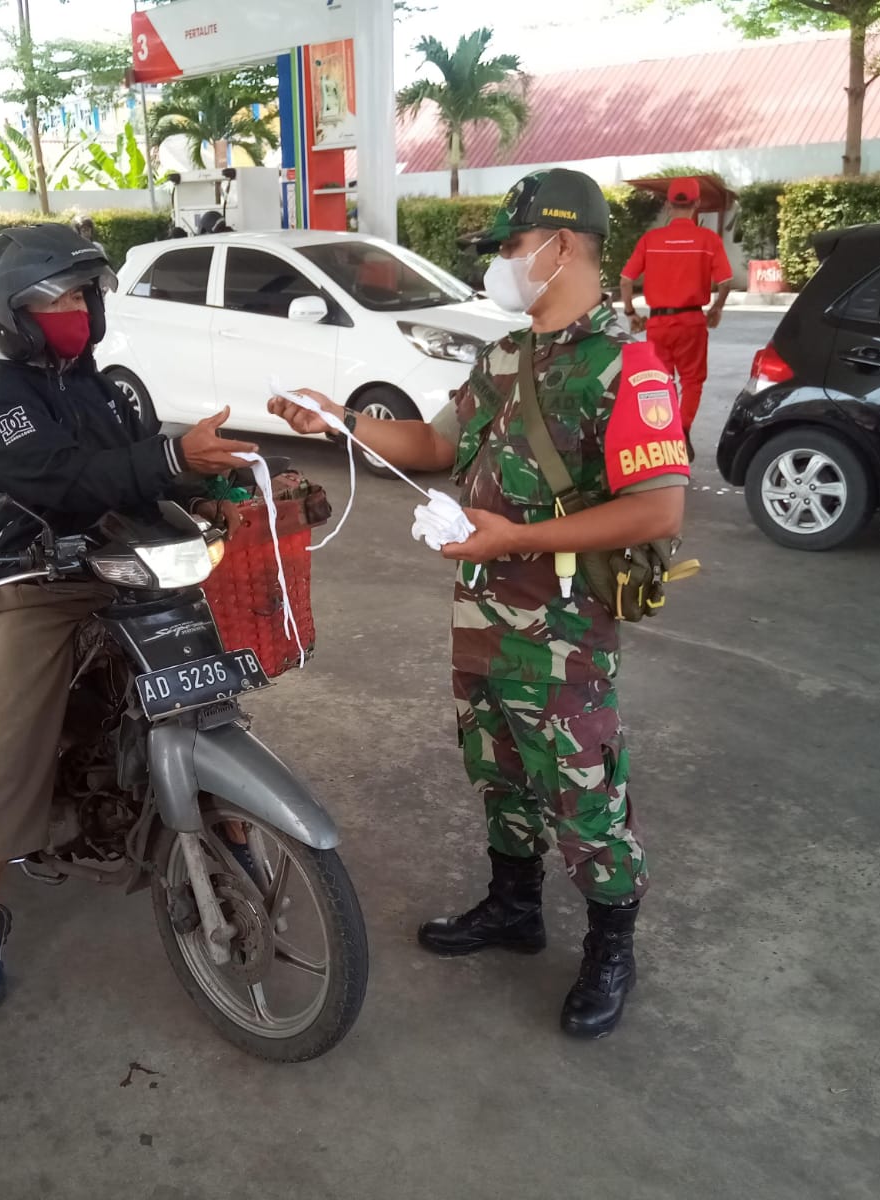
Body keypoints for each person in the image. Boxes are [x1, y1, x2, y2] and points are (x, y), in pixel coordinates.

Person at [269, 169, 689, 1040]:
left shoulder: (626, 362)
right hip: (482, 614)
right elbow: (430, 442)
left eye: (510, 247)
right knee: (497, 766)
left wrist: (513, 540)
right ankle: (514, 908)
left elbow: (659, 508)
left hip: (566, 625)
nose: (503, 264)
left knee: (582, 791)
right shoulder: (506, 355)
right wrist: (337, 421)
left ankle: (613, 944)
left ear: (561, 246)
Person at [0, 224, 257, 1017]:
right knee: (13, 751)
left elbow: (137, 466)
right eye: (56, 299)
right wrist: (167, 463)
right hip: (41, 580)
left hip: (127, 566)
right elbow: (66, 481)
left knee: (208, 684)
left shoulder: (106, 386)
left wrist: (209, 485)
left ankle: (228, 819)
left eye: (84, 296)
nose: (76, 311)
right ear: (11, 314)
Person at [618, 177, 733, 459]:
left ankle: (664, 434)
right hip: (692, 322)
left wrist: (632, 313)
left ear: (669, 205)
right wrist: (717, 308)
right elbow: (726, 281)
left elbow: (624, 280)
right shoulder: (709, 240)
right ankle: (682, 428)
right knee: (692, 381)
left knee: (662, 381)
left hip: (658, 324)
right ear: (696, 205)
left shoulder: (651, 240)